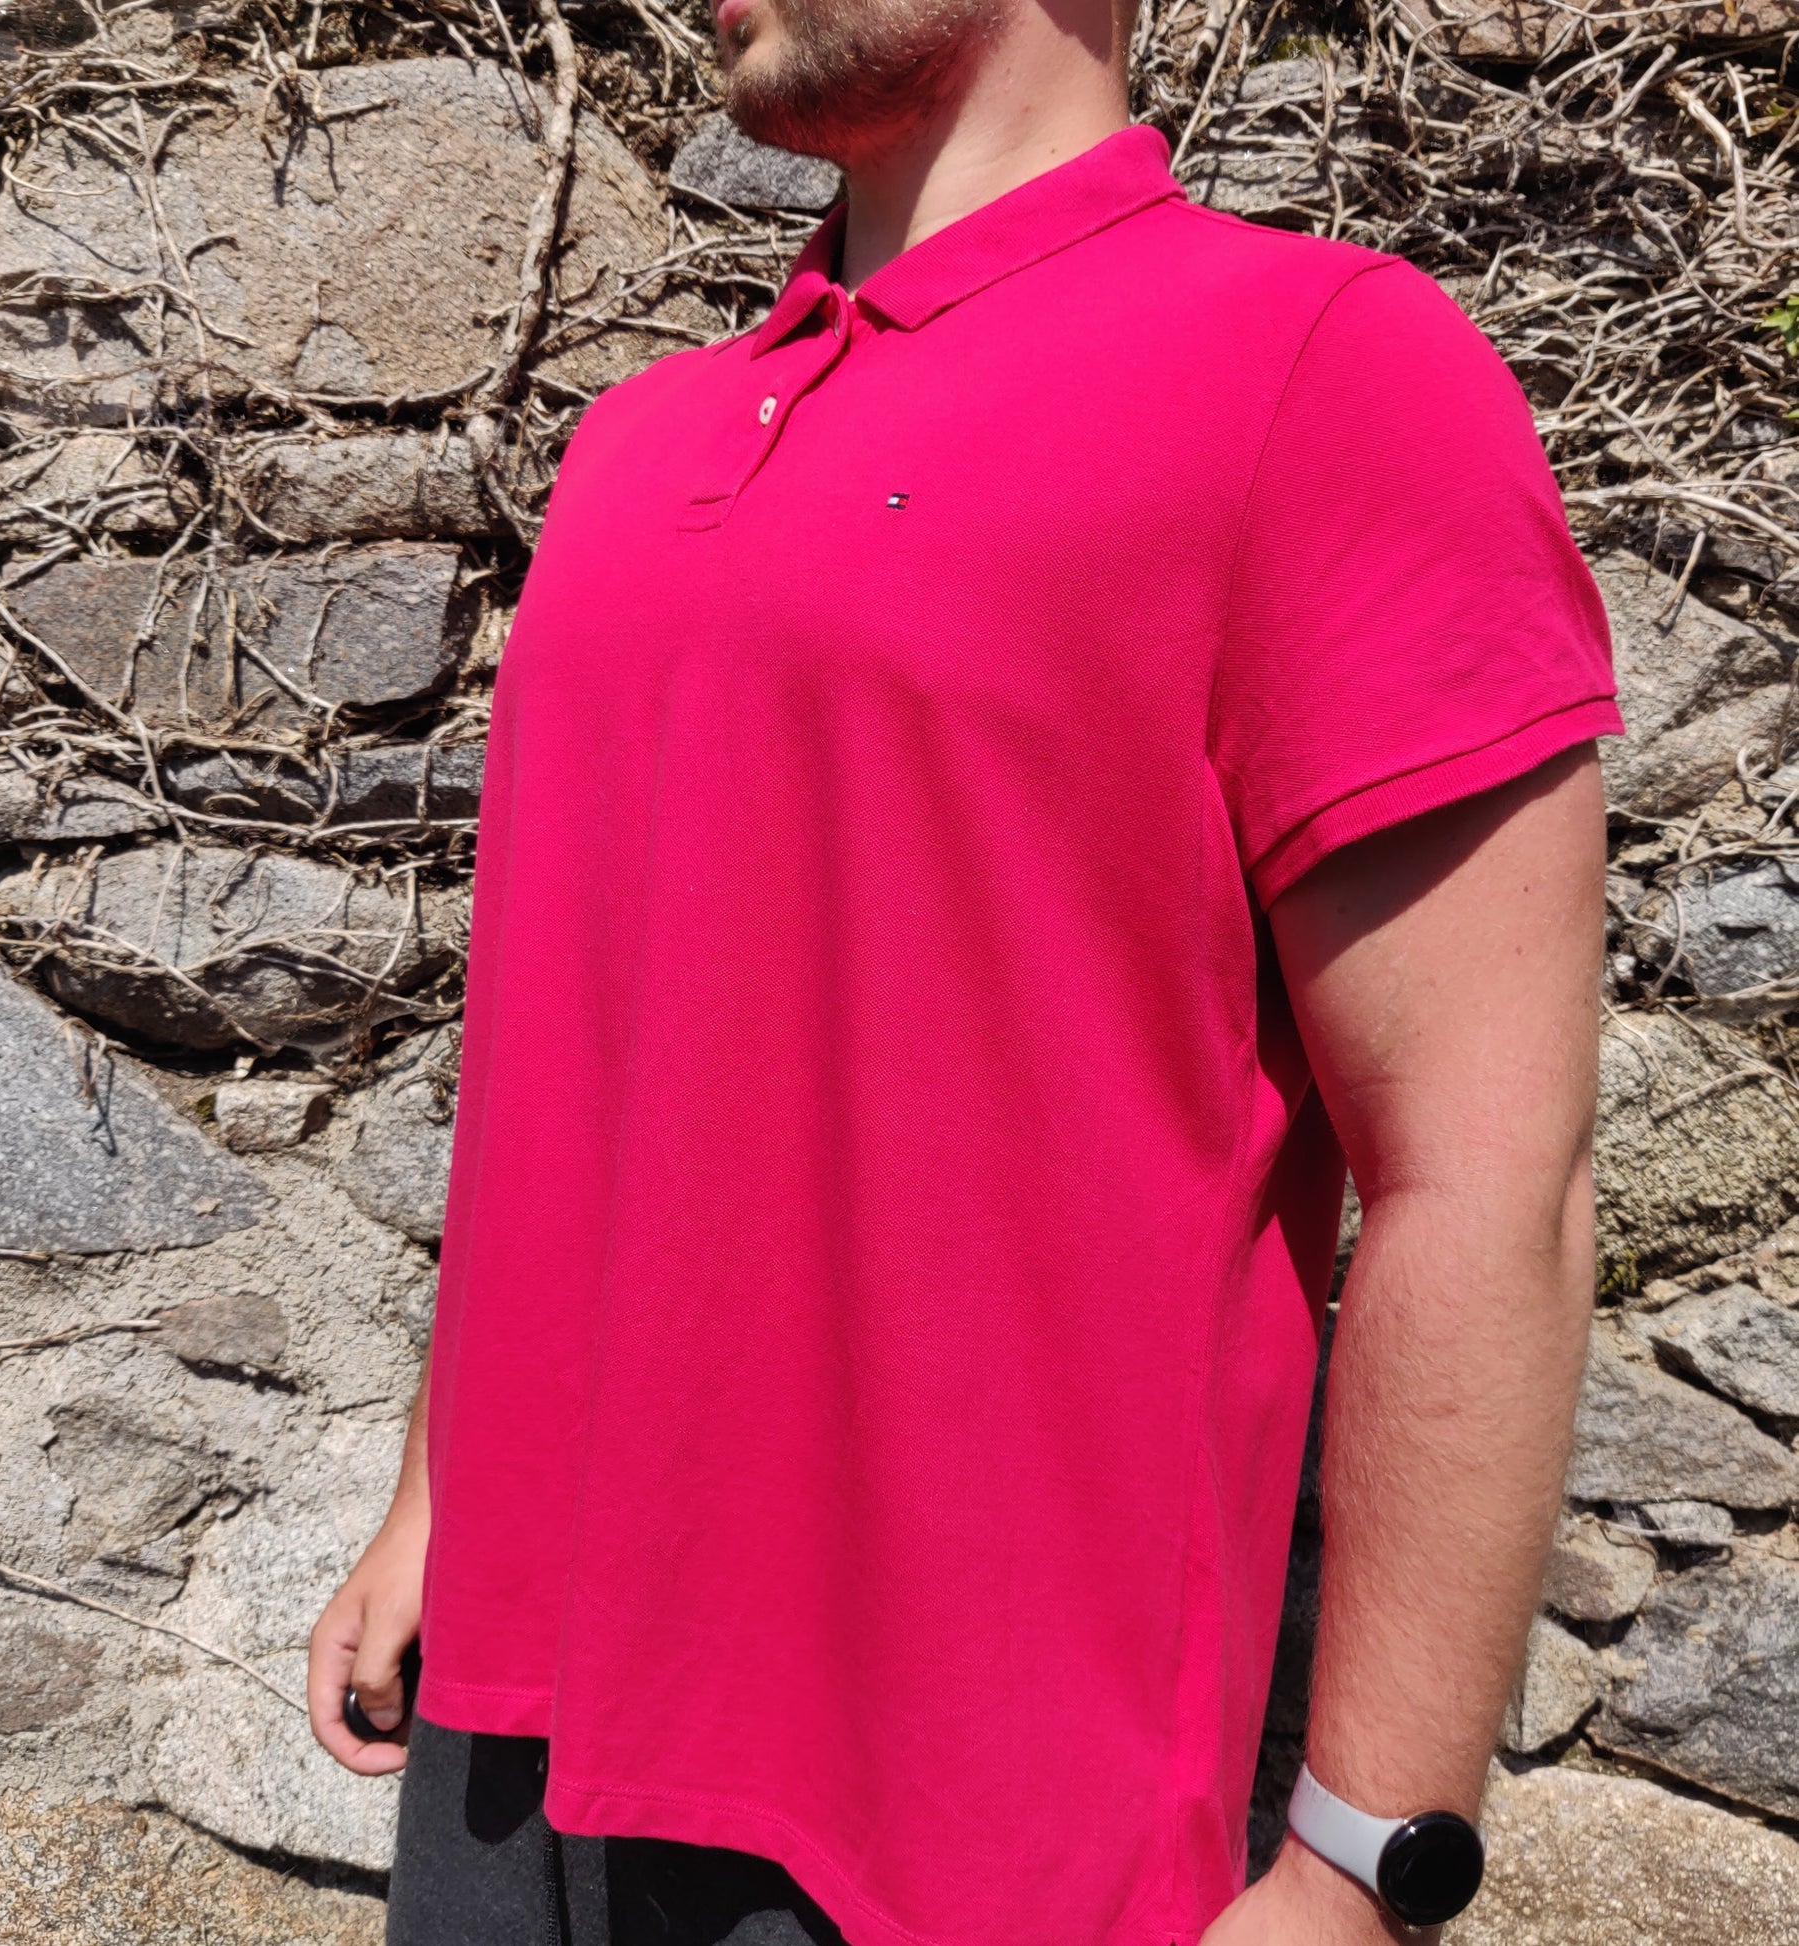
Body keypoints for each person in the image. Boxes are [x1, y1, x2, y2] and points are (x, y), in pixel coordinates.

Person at [307, 0, 1623, 1938]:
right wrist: (440, 1488)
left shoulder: (1321, 369)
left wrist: (1362, 1864)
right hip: (512, 1726)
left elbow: (1487, 1172)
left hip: (956, 1807)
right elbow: (569, 1032)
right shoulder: (636, 438)